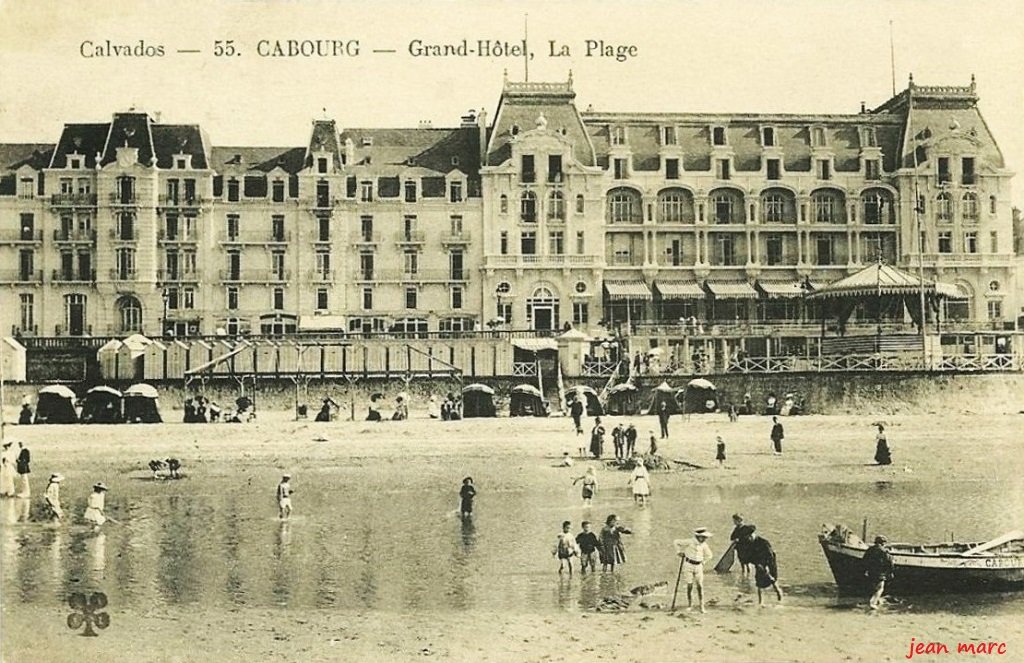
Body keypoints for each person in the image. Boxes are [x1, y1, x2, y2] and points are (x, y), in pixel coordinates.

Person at [673, 527, 714, 613]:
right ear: (698, 536)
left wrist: (704, 562)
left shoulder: (704, 545)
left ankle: (701, 606)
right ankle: (690, 605)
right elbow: (676, 542)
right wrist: (679, 552)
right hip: (688, 565)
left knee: (700, 585)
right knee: (689, 585)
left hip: (699, 566)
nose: (704, 539)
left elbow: (710, 555)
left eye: (705, 537)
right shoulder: (689, 542)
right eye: (703, 537)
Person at [743, 527, 784, 605]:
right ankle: (761, 602)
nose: (748, 539)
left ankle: (779, 594)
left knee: (773, 579)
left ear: (752, 535)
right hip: (759, 563)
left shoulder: (764, 542)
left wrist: (767, 567)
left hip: (769, 563)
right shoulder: (750, 543)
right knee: (759, 583)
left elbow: (770, 555)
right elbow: (749, 555)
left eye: (748, 537)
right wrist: (753, 562)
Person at [863, 535, 894, 610]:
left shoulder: (870, 550)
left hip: (871, 572)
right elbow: (890, 562)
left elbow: (864, 560)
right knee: (880, 588)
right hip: (880, 573)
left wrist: (865, 570)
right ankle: (873, 603)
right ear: (883, 543)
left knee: (874, 587)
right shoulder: (884, 551)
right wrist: (890, 572)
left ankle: (876, 600)